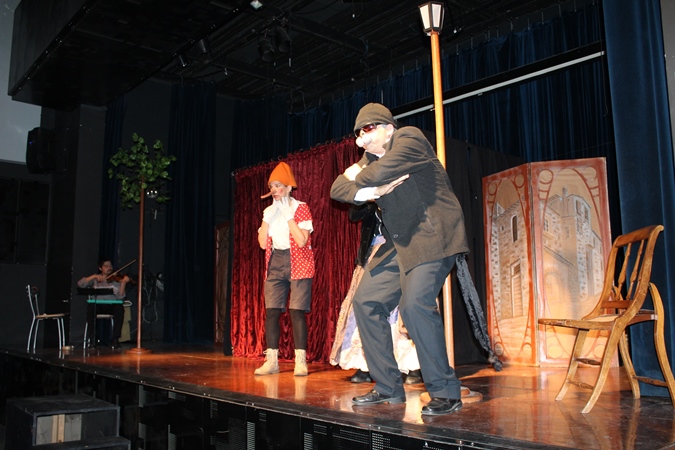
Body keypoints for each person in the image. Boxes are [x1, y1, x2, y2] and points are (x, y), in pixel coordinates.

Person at [330, 103, 469, 416]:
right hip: (399, 243)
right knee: (366, 301)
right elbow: (337, 188)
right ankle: (388, 387)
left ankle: (445, 391)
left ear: (387, 128)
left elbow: (378, 172)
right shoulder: (367, 161)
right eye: (357, 134)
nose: (360, 140)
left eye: (367, 130)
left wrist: (362, 180)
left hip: (432, 234)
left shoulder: (409, 138)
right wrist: (372, 191)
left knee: (414, 305)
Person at [330, 203, 422, 385]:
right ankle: (366, 365)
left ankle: (411, 365)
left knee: (399, 310)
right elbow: (354, 215)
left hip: (401, 250)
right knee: (365, 305)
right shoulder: (370, 192)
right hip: (374, 251)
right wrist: (368, 195)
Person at [256, 162, 315, 377]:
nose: (274, 190)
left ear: (289, 187)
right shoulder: (269, 210)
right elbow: (262, 244)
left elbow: (301, 241)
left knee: (296, 311)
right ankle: (271, 361)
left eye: (278, 185)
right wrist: (267, 218)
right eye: (271, 186)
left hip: (298, 261)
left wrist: (288, 215)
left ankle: (301, 362)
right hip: (276, 261)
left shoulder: (301, 208)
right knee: (272, 311)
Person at [77, 257, 130, 349]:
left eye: (110, 266)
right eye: (106, 266)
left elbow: (120, 297)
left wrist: (123, 283)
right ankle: (92, 338)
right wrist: (94, 276)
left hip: (111, 306)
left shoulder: (116, 279)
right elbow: (80, 284)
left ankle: (115, 339)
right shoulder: (95, 279)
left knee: (119, 308)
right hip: (98, 305)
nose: (109, 268)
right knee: (91, 307)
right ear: (100, 268)